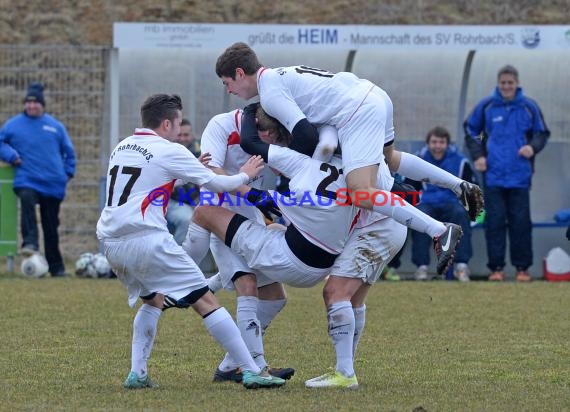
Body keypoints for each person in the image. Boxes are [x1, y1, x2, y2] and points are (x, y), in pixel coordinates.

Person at [215, 42, 484, 275]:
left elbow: (305, 135)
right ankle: (458, 185)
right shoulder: (279, 75)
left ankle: (438, 231)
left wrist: (306, 166)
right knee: (389, 158)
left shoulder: (271, 92)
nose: (229, 90)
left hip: (357, 112)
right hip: (373, 94)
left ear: (240, 73)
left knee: (360, 191)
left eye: (227, 83)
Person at [96, 94, 285, 390]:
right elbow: (219, 184)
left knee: (153, 299)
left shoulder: (122, 146)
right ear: (167, 123)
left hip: (111, 242)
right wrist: (244, 175)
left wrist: (189, 167)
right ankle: (250, 370)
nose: (180, 129)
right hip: (147, 239)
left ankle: (138, 374)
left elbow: (151, 180)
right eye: (177, 123)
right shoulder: (170, 150)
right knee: (205, 301)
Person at [181, 108, 293, 383]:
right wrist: (252, 189)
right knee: (247, 284)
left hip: (251, 215)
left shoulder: (277, 124)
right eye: (270, 138)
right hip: (219, 215)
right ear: (259, 126)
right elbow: (212, 174)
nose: (271, 143)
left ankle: (232, 364)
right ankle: (256, 368)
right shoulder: (220, 125)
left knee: (275, 297)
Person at [465, 65, 550, 282]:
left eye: (510, 83)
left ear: (517, 83)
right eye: (503, 83)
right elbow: (472, 131)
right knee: (494, 222)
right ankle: (497, 269)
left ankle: (522, 269)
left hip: (520, 175)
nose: (506, 86)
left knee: (520, 222)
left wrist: (532, 147)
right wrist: (479, 154)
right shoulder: (487, 106)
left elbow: (541, 134)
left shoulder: (529, 107)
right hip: (493, 175)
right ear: (498, 83)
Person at [0, 82, 76, 277]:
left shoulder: (55, 126)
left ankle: (57, 268)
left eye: (36, 103)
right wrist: (11, 156)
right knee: (26, 199)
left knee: (51, 227)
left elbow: (69, 153)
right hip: (27, 179)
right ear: (25, 104)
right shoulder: (13, 125)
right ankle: (30, 242)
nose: (32, 106)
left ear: (42, 105)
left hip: (53, 184)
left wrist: (67, 173)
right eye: (28, 102)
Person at [411, 126, 475, 282]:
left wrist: (475, 215)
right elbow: (410, 188)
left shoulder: (460, 161)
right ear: (428, 143)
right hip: (427, 202)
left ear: (447, 144)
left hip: (452, 202)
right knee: (419, 215)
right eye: (434, 142)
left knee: (461, 214)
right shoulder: (418, 159)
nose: (437, 146)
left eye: (441, 142)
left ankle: (461, 266)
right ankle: (422, 267)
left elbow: (470, 189)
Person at [166, 118, 199, 245]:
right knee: (188, 219)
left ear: (192, 135)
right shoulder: (167, 152)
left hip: (196, 199)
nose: (183, 138)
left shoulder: (200, 151)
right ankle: (175, 257)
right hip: (172, 201)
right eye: (179, 135)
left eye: (186, 135)